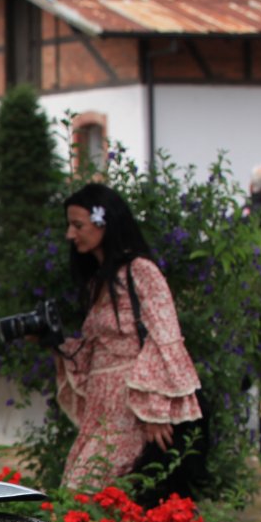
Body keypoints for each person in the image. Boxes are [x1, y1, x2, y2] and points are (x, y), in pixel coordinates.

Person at [53, 183, 202, 490]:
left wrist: (155, 409)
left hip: (131, 407)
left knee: (90, 490)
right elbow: (98, 349)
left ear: (103, 222)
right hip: (102, 408)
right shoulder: (99, 282)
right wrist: (54, 343)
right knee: (83, 491)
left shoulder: (141, 272)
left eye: (78, 225)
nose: (70, 234)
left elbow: (165, 336)